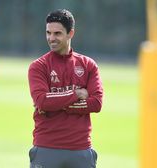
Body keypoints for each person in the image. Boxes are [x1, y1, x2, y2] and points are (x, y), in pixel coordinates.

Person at [27, 9, 103, 168]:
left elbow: (96, 103)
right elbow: (42, 101)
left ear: (71, 33)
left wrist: (57, 104)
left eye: (57, 33)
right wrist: (76, 94)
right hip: (47, 147)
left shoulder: (88, 65)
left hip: (80, 149)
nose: (51, 38)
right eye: (48, 33)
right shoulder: (38, 66)